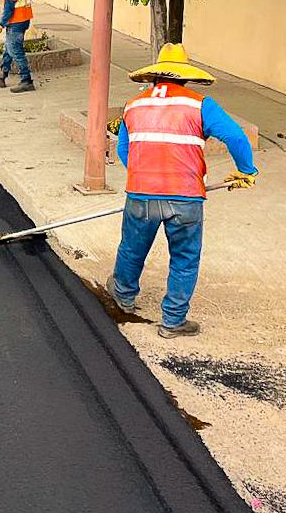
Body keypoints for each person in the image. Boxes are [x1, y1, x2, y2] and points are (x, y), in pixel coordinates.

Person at [107, 44, 258, 338]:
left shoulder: (133, 106)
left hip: (141, 194)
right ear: (184, 77)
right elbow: (236, 137)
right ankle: (173, 322)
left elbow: (125, 149)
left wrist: (142, 173)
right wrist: (246, 170)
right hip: (186, 197)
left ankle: (124, 296)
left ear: (154, 77)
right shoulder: (200, 105)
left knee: (132, 247)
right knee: (185, 257)